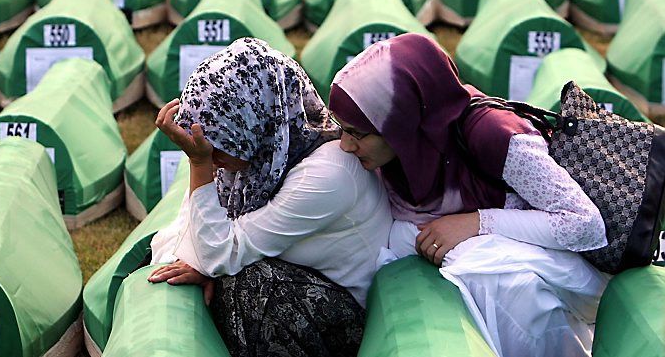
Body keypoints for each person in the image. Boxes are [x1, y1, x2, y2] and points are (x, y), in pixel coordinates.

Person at [327, 33, 608, 357]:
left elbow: (585, 224)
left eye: (357, 133)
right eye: (341, 128)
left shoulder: (492, 135)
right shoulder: (402, 152)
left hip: (558, 270)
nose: (345, 145)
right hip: (513, 259)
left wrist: (477, 222)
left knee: (494, 276)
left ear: (401, 120)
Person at [148, 38, 392, 357]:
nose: (211, 155)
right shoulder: (260, 156)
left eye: (218, 144)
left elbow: (219, 254)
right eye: (202, 147)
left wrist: (199, 165)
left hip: (348, 315)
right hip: (303, 281)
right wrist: (205, 262)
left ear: (253, 123)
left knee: (251, 282)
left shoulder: (328, 175)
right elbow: (187, 231)